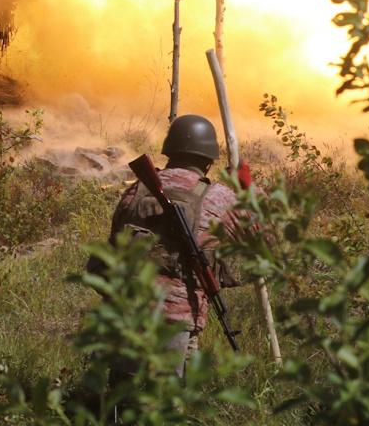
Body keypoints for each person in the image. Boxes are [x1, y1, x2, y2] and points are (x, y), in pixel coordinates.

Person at [92, 113, 250, 377]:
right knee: (169, 395)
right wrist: (248, 192)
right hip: (176, 317)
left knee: (121, 393)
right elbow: (265, 241)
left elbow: (113, 244)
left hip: (125, 310)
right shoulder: (219, 197)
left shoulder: (136, 191)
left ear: (169, 151)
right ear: (209, 160)